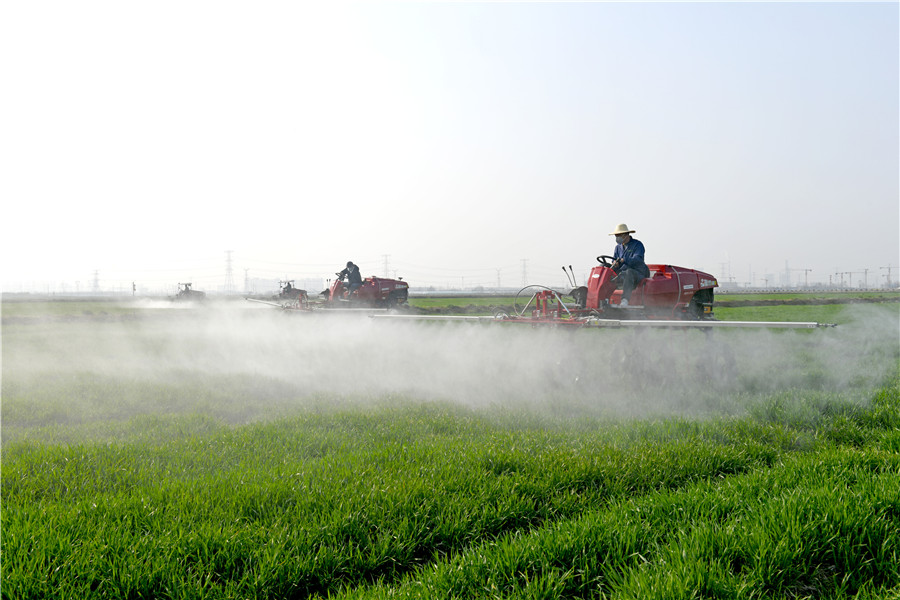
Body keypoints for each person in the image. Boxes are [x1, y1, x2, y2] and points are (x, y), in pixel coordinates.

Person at [609, 224, 650, 307]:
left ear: (626, 235)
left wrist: (624, 260)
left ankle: (625, 300)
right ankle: (604, 298)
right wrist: (614, 263)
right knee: (606, 269)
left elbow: (637, 259)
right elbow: (614, 259)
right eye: (616, 236)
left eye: (618, 235)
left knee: (629, 272)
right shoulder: (618, 247)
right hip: (622, 273)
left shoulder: (637, 245)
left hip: (637, 273)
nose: (617, 237)